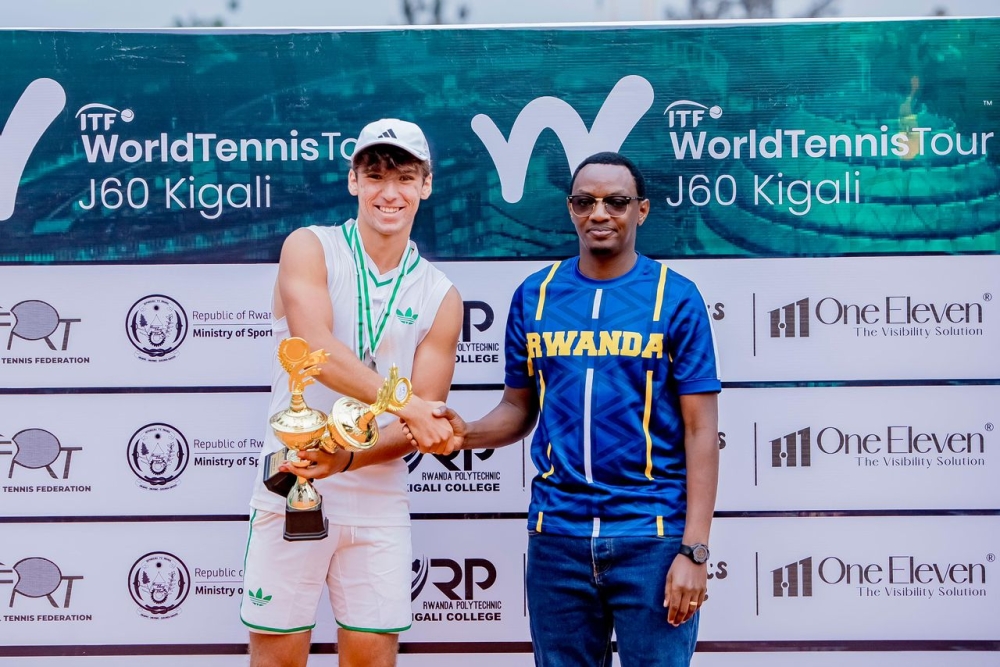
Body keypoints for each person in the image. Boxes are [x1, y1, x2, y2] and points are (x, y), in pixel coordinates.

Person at [411, 152, 721, 666]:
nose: (600, 213)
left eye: (615, 201)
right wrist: (465, 435)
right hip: (557, 538)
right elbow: (518, 407)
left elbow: (701, 430)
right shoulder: (535, 295)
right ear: (571, 209)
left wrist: (694, 551)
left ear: (640, 211)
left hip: (652, 537)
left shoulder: (677, 298)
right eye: (585, 201)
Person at [240, 118, 463, 667]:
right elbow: (313, 349)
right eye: (376, 175)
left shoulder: (441, 295)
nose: (390, 192)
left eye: (405, 177)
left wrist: (345, 459)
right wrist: (406, 402)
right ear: (353, 181)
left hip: (378, 498)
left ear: (426, 186)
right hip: (291, 485)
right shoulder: (310, 247)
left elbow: (421, 425)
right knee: (276, 662)